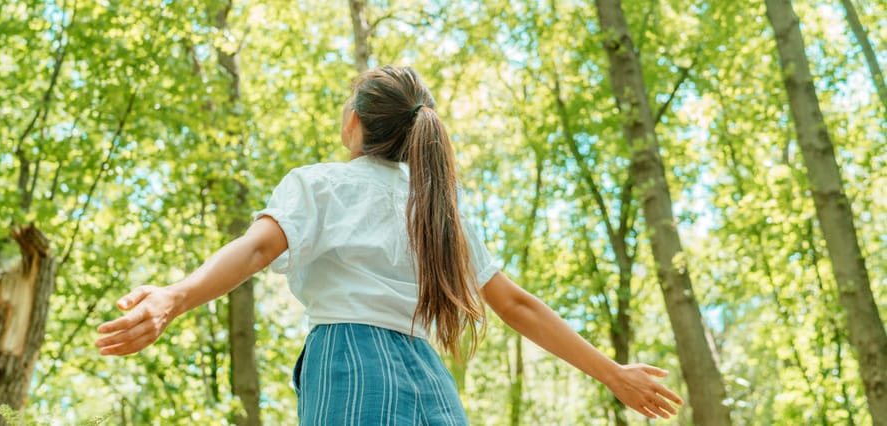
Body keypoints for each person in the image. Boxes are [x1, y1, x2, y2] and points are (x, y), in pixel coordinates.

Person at [96, 65, 684, 424]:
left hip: (348, 362)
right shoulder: (437, 208)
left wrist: (174, 296)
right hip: (430, 378)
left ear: (355, 121)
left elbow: (254, 251)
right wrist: (610, 373)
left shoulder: (322, 182)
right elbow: (517, 305)